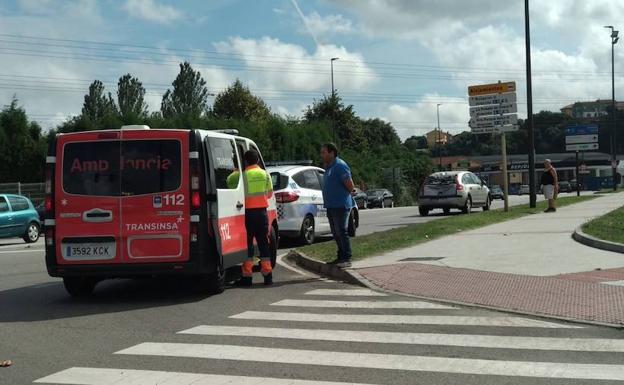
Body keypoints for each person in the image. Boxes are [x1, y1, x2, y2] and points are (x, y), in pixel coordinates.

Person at [235, 149, 274, 287]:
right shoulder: (265, 174)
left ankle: (247, 277)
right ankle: (268, 275)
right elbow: (269, 195)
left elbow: (232, 187)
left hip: (247, 215)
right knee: (264, 244)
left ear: (245, 161)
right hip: (262, 214)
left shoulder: (243, 175)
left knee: (248, 245)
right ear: (257, 160)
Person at [320, 143, 355, 268]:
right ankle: (340, 256)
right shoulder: (328, 167)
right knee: (335, 233)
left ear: (332, 153)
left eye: (324, 152)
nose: (322, 155)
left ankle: (346, 257)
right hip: (331, 205)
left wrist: (350, 191)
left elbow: (349, 184)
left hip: (340, 205)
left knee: (341, 231)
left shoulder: (340, 166)